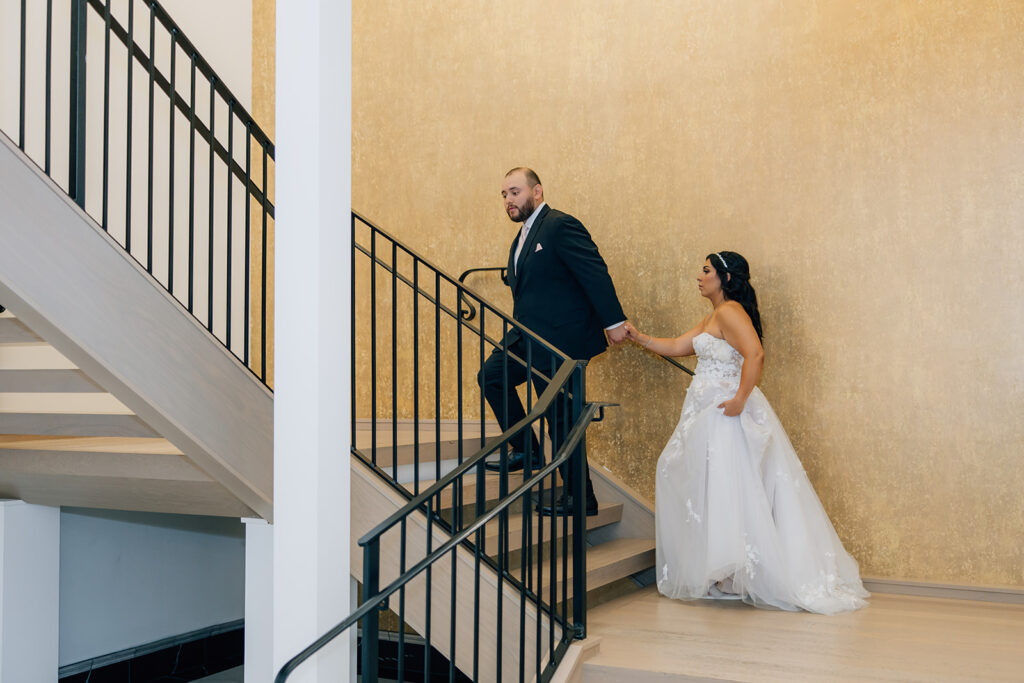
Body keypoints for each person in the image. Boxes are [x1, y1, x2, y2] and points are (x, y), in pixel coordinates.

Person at [625, 251, 868, 614]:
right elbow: (678, 346)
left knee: (727, 486)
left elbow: (755, 354)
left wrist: (740, 398)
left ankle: (731, 573)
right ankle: (726, 572)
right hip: (708, 414)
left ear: (723, 277)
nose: (699, 276)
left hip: (726, 414)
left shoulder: (730, 312)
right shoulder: (713, 316)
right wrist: (638, 336)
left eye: (705, 270)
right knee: (712, 484)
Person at [478, 167, 629, 516]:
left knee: (561, 421)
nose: (508, 200)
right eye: (504, 195)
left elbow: (593, 271)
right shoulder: (520, 239)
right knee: (491, 377)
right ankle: (527, 450)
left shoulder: (560, 225)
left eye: (515, 192)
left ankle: (581, 499)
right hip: (527, 337)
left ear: (538, 192)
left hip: (562, 342)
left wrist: (614, 321)